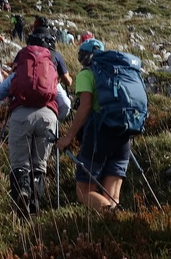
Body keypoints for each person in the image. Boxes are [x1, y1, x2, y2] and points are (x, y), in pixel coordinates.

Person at [0, 52, 72, 214]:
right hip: (47, 117)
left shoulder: (17, 75)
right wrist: (57, 119)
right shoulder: (50, 74)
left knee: (20, 163)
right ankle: (35, 205)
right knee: (39, 165)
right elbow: (65, 103)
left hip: (21, 116)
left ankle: (23, 193)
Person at [56, 39, 134, 212]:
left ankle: (114, 216)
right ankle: (117, 226)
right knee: (112, 195)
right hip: (123, 136)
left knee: (84, 191)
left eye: (81, 55)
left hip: (99, 136)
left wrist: (68, 137)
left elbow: (85, 107)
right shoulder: (118, 72)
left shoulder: (87, 74)